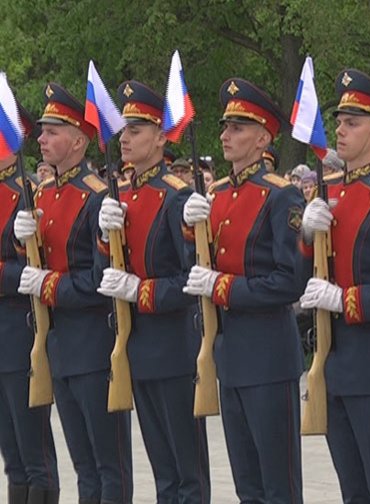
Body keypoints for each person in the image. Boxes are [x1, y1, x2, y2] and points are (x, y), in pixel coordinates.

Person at [181, 77, 304, 503]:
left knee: (278, 486)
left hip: (268, 355)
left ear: (263, 138)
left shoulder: (280, 195)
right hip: (230, 356)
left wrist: (223, 286)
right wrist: (188, 230)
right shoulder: (217, 195)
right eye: (224, 126)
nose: (225, 135)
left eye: (237, 127)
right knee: (247, 488)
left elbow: (288, 281)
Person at [13, 83, 132, 504]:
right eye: (41, 132)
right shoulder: (44, 194)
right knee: (83, 468)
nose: (41, 139)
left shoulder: (97, 199)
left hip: (94, 346)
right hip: (58, 346)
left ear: (79, 141)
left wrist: (47, 284)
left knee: (109, 467)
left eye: (51, 132)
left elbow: (102, 282)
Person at [299, 68, 370, 503]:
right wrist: (304, 240)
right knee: (352, 492)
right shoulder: (328, 193)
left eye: (353, 123)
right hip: (334, 362)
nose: (341, 131)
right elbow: (304, 275)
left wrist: (344, 299)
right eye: (340, 122)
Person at [96, 80, 210, 503]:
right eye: (123, 131)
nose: (124, 138)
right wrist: (105, 242)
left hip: (174, 348)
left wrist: (138, 290)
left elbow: (190, 280)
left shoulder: (176, 197)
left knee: (188, 474)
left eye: (136, 130)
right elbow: (103, 272)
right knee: (163, 474)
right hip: (137, 348)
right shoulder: (120, 196)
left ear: (161, 137)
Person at [1, 102, 60, 504]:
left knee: (33, 454)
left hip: (18, 330)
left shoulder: (26, 193)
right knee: (12, 457)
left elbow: (34, 266)